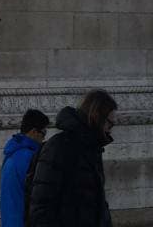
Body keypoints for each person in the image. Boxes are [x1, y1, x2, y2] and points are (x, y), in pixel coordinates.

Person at [26, 90, 117, 227]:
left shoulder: (92, 150)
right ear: (97, 116)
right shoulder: (59, 147)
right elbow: (41, 209)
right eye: (110, 124)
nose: (110, 130)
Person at [0, 109, 50, 227]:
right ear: (33, 132)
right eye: (43, 133)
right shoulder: (28, 157)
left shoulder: (12, 154)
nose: (43, 139)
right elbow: (37, 194)